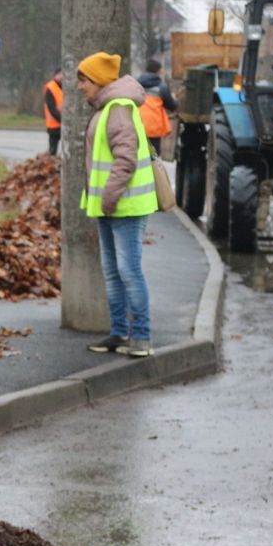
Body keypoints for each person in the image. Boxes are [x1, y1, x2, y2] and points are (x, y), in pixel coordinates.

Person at [76, 52, 158, 358]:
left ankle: (142, 337)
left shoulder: (118, 109)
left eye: (84, 80)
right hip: (110, 205)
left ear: (98, 80)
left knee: (128, 270)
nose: (80, 86)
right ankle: (119, 332)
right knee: (112, 271)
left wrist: (109, 196)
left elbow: (126, 158)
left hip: (125, 205)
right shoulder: (108, 107)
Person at [136, 59, 178, 155]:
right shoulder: (161, 87)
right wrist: (175, 99)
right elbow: (172, 106)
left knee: (138, 156)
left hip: (137, 126)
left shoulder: (136, 84)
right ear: (158, 71)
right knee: (153, 158)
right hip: (153, 128)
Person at [44, 67, 64, 155]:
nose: (61, 76)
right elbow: (51, 108)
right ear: (56, 75)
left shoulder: (64, 87)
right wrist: (62, 120)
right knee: (53, 150)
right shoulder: (50, 88)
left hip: (62, 124)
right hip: (54, 125)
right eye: (60, 74)